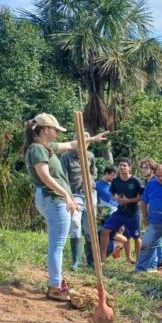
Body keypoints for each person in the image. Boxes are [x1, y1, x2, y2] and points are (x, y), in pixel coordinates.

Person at [23, 113, 107, 301]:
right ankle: (55, 287)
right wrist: (66, 194)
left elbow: (70, 145)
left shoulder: (45, 147)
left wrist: (91, 139)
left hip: (53, 198)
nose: (57, 133)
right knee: (57, 244)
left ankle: (57, 281)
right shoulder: (37, 149)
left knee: (57, 243)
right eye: (55, 130)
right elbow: (45, 177)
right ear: (45, 130)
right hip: (53, 199)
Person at [59, 131, 97, 271]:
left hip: (90, 194)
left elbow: (93, 172)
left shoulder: (90, 156)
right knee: (75, 224)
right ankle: (75, 261)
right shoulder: (66, 157)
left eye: (87, 142)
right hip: (75, 195)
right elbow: (63, 178)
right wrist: (69, 196)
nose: (84, 145)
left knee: (90, 228)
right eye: (81, 142)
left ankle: (91, 261)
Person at [100, 158, 143, 264]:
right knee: (105, 231)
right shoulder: (115, 181)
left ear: (129, 168)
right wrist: (117, 199)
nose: (122, 167)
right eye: (120, 165)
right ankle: (102, 259)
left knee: (136, 237)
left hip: (133, 213)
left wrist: (129, 200)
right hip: (120, 212)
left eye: (124, 165)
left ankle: (139, 262)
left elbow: (141, 197)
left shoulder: (135, 181)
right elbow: (112, 194)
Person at [139, 159, 162, 270]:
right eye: (142, 167)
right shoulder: (148, 182)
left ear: (152, 169)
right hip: (152, 212)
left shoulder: (155, 181)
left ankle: (154, 263)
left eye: (146, 167)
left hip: (157, 212)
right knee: (159, 236)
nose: (143, 170)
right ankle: (160, 261)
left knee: (154, 236)